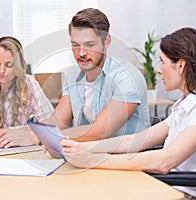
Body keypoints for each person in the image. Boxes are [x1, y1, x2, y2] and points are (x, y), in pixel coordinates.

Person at [60, 27, 196, 199]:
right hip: (165, 185)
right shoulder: (186, 103)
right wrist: (83, 148)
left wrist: (92, 160)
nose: (158, 70)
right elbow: (138, 140)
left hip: (187, 194)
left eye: (162, 62)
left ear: (181, 64)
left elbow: (165, 161)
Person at [44, 8, 150, 142]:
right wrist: (28, 133)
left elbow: (99, 131)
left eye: (89, 45)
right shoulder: (72, 75)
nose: (81, 53)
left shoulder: (127, 76)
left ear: (106, 41)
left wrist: (48, 136)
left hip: (128, 157)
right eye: (75, 45)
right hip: (87, 154)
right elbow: (58, 120)